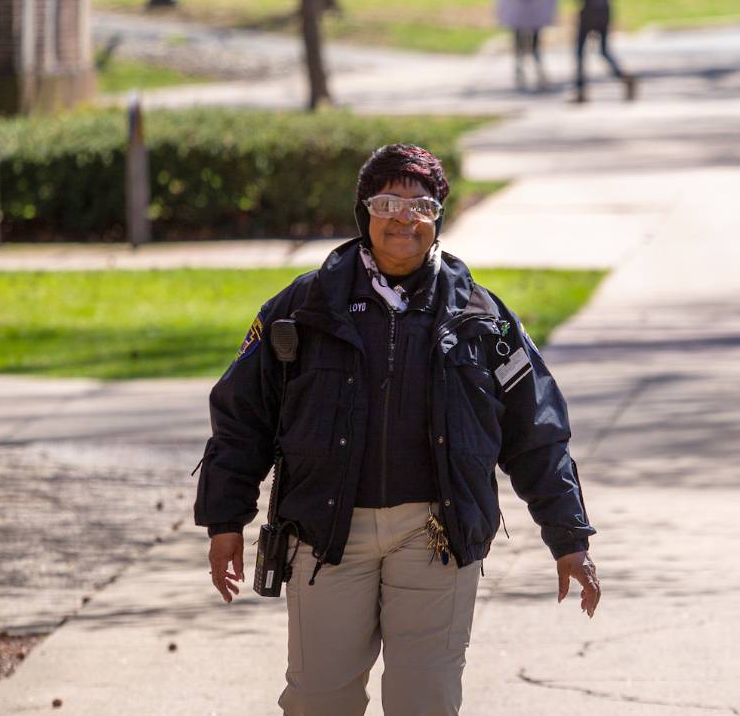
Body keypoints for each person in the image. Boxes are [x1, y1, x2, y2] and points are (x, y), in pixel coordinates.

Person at [194, 143, 599, 716]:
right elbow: (242, 418)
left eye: (421, 206)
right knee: (318, 701)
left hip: (436, 534)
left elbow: (537, 429)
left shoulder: (482, 316)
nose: (403, 218)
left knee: (424, 701)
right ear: (365, 212)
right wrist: (224, 519)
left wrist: (569, 538)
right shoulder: (303, 306)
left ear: (438, 218)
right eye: (388, 202)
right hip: (326, 533)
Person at [488, 0, 565, 91]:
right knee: (535, 47)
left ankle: (519, 73)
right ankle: (539, 73)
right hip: (535, 18)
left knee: (518, 46)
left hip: (516, 18)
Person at [572, 0, 636, 103]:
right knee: (604, 50)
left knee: (580, 52)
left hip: (587, 11)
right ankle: (623, 75)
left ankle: (581, 91)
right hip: (605, 10)